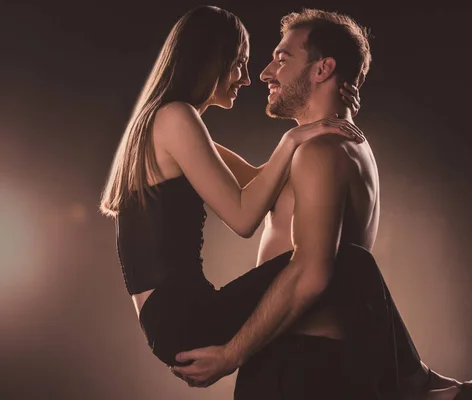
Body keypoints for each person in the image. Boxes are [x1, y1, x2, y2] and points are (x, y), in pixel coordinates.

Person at [171, 8, 471, 400]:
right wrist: (174, 129)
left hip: (302, 366)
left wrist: (231, 355)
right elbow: (248, 184)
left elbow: (311, 273)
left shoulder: (322, 153)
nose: (265, 73)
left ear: (322, 69)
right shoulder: (337, 146)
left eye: (282, 59)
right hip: (304, 357)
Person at [99, 1, 363, 382]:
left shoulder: (165, 122)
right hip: (183, 317)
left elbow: (261, 182)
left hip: (170, 318)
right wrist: (292, 140)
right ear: (211, 61)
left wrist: (331, 115)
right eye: (239, 63)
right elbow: (243, 217)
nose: (245, 78)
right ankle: (417, 381)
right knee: (341, 266)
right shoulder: (176, 118)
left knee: (331, 265)